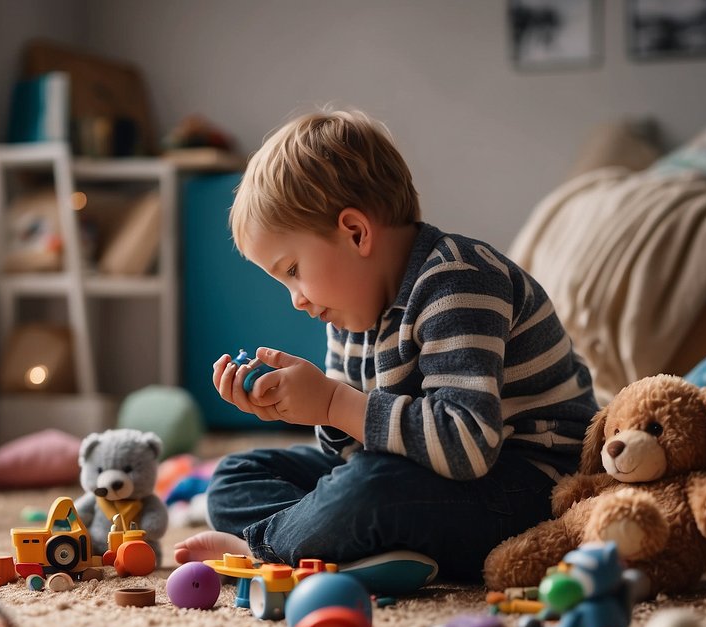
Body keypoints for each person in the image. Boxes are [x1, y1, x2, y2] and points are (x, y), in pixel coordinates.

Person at [175, 109, 598, 594]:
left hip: (524, 486)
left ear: (355, 232)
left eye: (293, 269)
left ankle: (262, 550)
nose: (296, 298)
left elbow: (466, 447)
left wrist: (335, 402)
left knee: (372, 490)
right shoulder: (350, 308)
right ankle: (351, 549)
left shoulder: (459, 282)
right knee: (236, 475)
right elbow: (352, 455)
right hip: (416, 480)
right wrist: (311, 407)